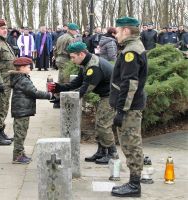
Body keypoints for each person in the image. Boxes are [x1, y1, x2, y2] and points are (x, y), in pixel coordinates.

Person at [51, 42, 117, 164]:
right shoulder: (86, 62)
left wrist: (62, 98)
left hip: (112, 96)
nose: (71, 60)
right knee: (99, 123)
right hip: (106, 95)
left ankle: (113, 154)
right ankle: (101, 151)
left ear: (81, 54)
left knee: (103, 125)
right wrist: (58, 88)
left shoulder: (93, 67)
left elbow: (84, 90)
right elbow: (76, 83)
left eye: (73, 57)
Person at [110, 17, 148, 197]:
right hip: (132, 105)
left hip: (129, 108)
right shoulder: (133, 46)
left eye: (117, 31)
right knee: (132, 142)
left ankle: (134, 185)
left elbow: (129, 84)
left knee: (131, 143)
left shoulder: (130, 51)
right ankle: (134, 182)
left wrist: (121, 110)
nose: (115, 34)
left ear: (126, 30)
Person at [10, 57, 53, 164]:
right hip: (22, 110)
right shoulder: (23, 80)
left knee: (21, 132)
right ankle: (17, 157)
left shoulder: (21, 77)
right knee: (20, 134)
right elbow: (34, 92)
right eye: (29, 67)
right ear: (22, 68)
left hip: (22, 109)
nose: (30, 69)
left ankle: (21, 153)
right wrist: (50, 95)